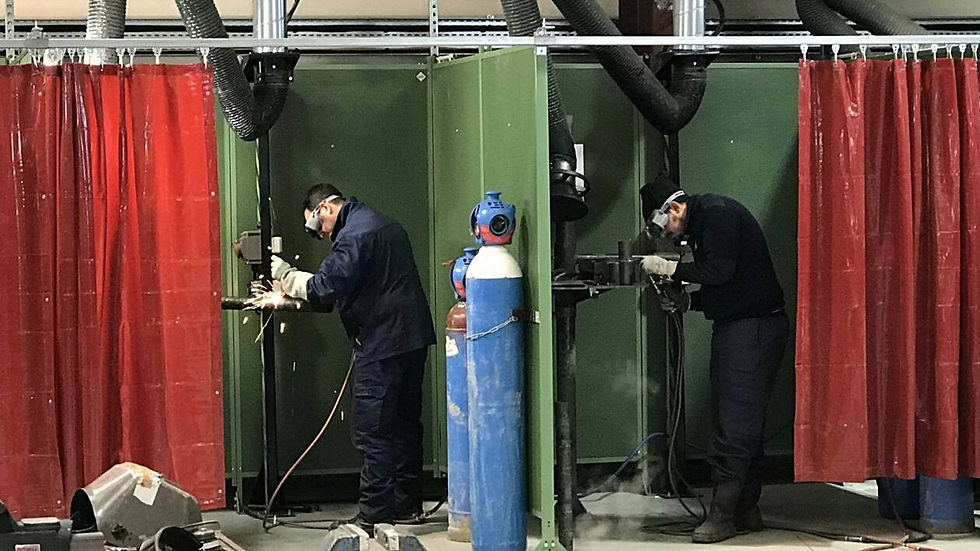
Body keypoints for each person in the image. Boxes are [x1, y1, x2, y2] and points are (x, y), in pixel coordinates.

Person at [270, 183, 437, 531]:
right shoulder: (381, 224)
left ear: (326, 209)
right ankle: (407, 506)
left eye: (318, 227)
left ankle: (374, 516)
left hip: (382, 345)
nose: (321, 235)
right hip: (412, 340)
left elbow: (323, 288)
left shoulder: (354, 235)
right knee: (405, 426)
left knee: (372, 431)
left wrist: (284, 275)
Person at [639, 174, 789, 544]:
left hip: (751, 330)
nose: (671, 237)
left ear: (674, 208)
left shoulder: (716, 215)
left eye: (667, 227)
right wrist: (689, 300)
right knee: (744, 421)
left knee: (734, 422)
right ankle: (745, 509)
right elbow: (730, 282)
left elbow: (719, 272)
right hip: (745, 325)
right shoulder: (707, 218)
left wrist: (670, 268)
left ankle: (722, 515)